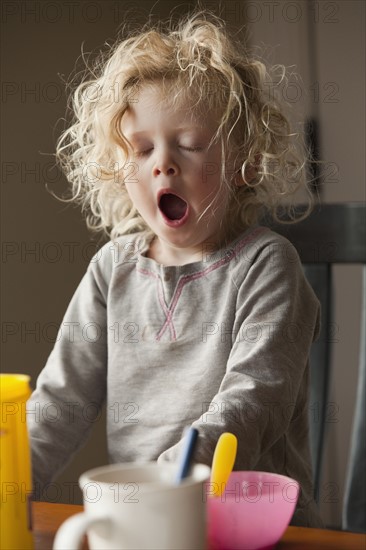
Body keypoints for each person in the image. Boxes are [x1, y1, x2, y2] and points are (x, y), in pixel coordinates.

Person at [27, 9, 323, 527]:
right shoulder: (111, 270)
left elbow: (253, 398)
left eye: (188, 145)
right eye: (142, 150)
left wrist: (178, 477)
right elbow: (61, 401)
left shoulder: (267, 265)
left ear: (245, 161)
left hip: (252, 527)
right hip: (151, 522)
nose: (162, 163)